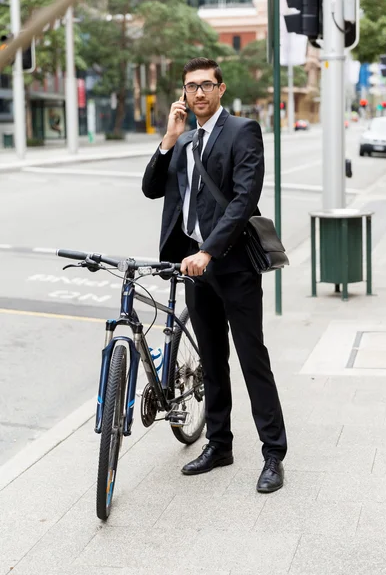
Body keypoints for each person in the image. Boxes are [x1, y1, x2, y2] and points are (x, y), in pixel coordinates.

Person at [142, 57, 287, 493]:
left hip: (233, 266)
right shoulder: (183, 141)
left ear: (221, 89)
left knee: (251, 360)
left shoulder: (243, 131)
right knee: (212, 361)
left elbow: (244, 199)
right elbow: (152, 188)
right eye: (191, 86)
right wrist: (168, 138)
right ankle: (219, 444)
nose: (199, 93)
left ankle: (273, 454)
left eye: (206, 85)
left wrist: (209, 250)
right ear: (183, 94)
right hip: (193, 268)